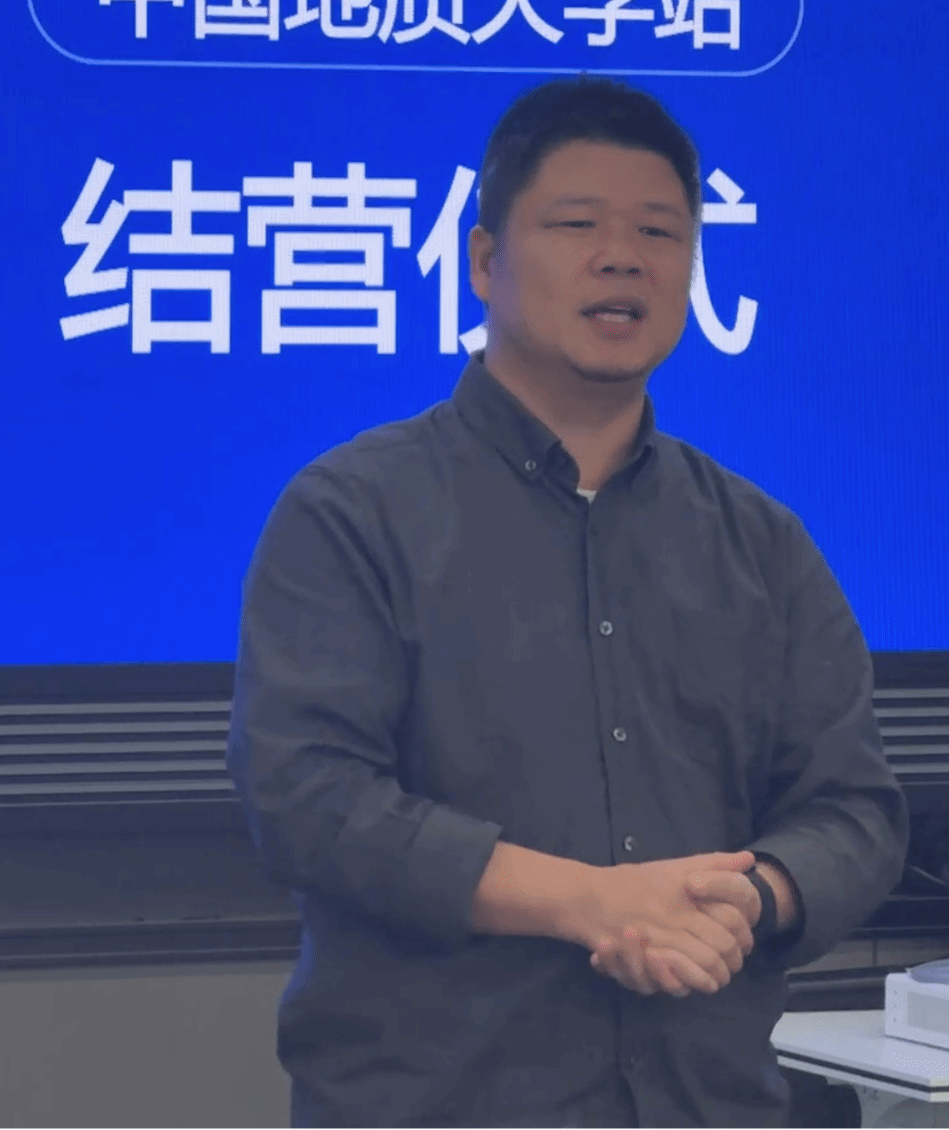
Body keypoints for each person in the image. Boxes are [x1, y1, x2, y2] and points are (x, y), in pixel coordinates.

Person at [229, 78, 907, 1129]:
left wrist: (750, 896)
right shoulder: (353, 512)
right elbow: (310, 801)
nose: (623, 258)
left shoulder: (759, 542)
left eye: (660, 232)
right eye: (577, 224)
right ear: (483, 260)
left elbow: (852, 810)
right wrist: (593, 903)